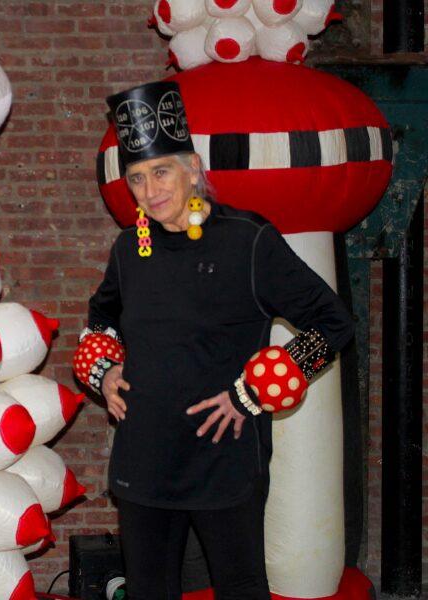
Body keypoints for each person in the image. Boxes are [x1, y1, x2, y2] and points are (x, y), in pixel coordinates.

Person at [72, 81, 355, 600]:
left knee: (241, 589)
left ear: (194, 169)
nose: (149, 190)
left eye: (161, 172)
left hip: (222, 460)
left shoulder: (249, 241)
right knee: (148, 591)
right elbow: (100, 318)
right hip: (143, 461)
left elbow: (333, 323)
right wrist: (103, 371)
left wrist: (253, 393)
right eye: (136, 178)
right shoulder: (128, 249)